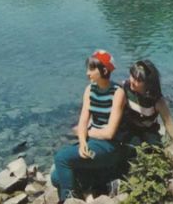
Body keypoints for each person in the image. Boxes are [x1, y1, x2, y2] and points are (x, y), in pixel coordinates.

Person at [51, 50, 126, 202]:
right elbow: (83, 121)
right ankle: (99, 184)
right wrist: (83, 142)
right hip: (92, 143)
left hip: (109, 147)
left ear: (104, 70)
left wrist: (86, 132)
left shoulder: (117, 93)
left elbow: (109, 133)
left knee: (61, 158)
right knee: (55, 176)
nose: (87, 73)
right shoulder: (89, 90)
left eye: (92, 69)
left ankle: (68, 199)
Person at [120, 60, 173, 161]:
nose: (132, 82)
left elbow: (169, 125)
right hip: (130, 130)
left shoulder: (157, 100)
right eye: (132, 76)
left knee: (156, 154)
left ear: (148, 83)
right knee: (135, 152)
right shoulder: (124, 88)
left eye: (138, 80)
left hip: (149, 130)